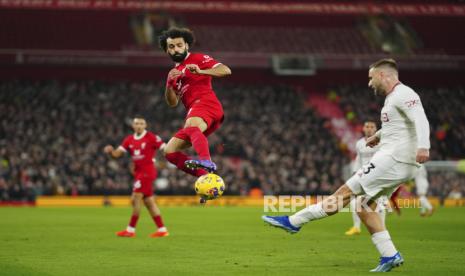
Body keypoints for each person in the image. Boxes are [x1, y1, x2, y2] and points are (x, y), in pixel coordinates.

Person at [262, 58, 430, 272]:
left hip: (393, 159)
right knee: (362, 205)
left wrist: (424, 147)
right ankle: (390, 255)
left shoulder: (404, 93)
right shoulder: (392, 99)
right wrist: (378, 135)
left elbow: (421, 119)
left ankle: (294, 221)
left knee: (344, 193)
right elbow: (400, 126)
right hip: (396, 160)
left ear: (382, 75)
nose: (369, 84)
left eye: (371, 78)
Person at [159, 27, 232, 175]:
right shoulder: (175, 72)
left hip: (206, 103)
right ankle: (204, 177)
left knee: (191, 126)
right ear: (167, 51)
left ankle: (206, 160)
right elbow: (172, 103)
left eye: (179, 45)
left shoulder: (198, 59)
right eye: (171, 47)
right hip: (197, 111)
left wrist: (201, 71)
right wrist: (169, 83)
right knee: (169, 151)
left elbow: (226, 70)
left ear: (186, 45)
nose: (176, 49)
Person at [104, 116, 168, 238]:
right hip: (138, 173)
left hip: (147, 172)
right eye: (136, 123)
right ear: (133, 126)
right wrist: (111, 152)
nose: (139, 125)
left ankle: (130, 229)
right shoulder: (129, 140)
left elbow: (166, 148)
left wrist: (166, 161)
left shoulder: (151, 137)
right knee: (149, 202)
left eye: (141, 123)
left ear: (145, 125)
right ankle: (162, 229)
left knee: (135, 198)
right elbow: (117, 154)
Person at [345, 121, 387, 236]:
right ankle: (356, 227)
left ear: (376, 129)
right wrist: (355, 172)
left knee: (380, 203)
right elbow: (359, 158)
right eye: (367, 127)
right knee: (354, 201)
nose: (369, 129)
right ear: (363, 128)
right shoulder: (359, 143)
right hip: (364, 175)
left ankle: (382, 228)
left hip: (379, 175)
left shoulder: (381, 142)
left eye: (372, 127)